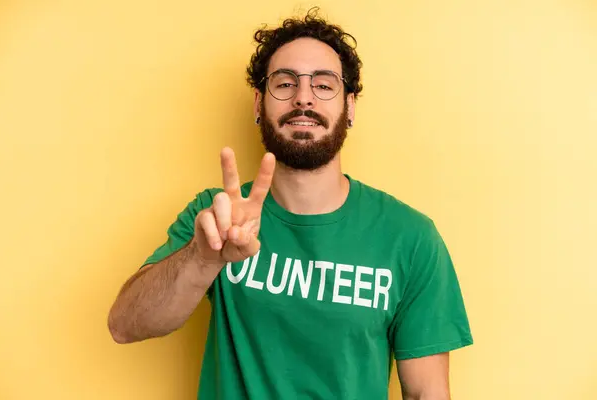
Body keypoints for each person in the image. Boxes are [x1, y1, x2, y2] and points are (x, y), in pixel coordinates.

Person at [107, 8, 473, 400]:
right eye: (284, 83)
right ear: (258, 104)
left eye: (323, 84)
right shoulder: (216, 216)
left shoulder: (411, 239)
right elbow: (125, 325)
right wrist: (203, 258)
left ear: (349, 106)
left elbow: (427, 394)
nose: (303, 98)